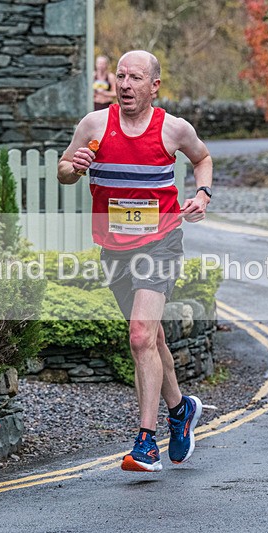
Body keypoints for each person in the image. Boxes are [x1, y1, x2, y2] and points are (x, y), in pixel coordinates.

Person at [58, 50, 213, 472]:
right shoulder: (94, 125)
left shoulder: (174, 129)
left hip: (161, 241)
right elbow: (64, 170)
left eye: (135, 78)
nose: (125, 85)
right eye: (121, 77)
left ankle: (146, 441)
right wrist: (75, 166)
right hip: (115, 248)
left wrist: (202, 195)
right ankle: (180, 409)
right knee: (153, 338)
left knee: (141, 336)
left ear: (154, 86)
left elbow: (202, 158)